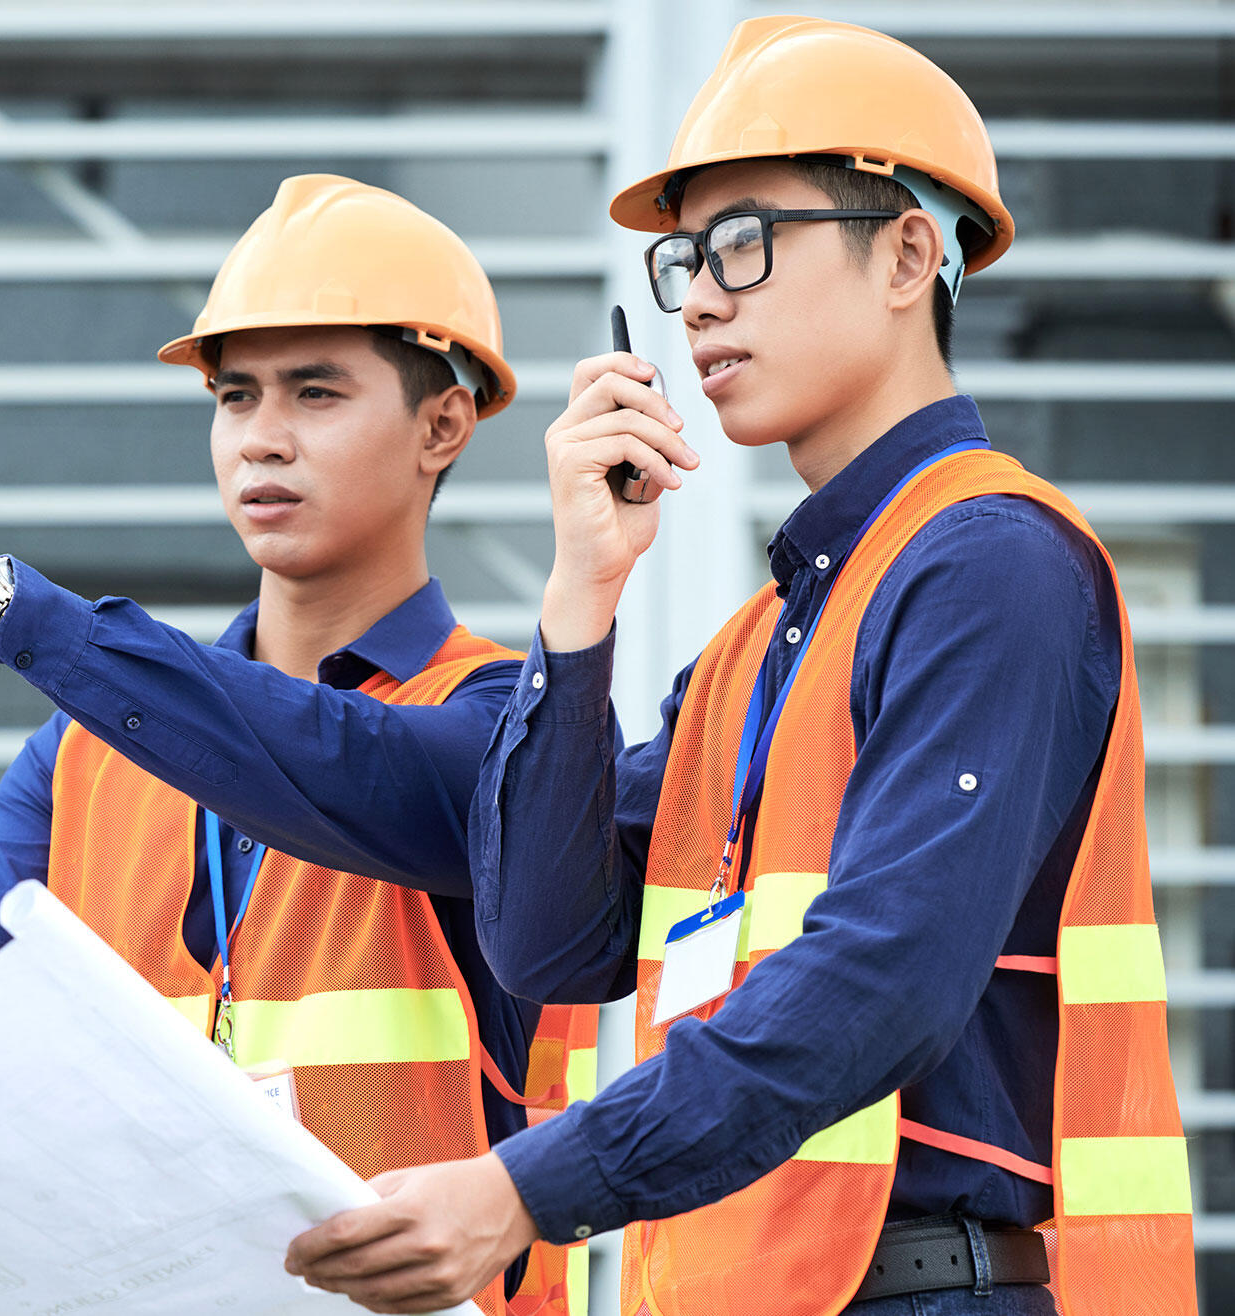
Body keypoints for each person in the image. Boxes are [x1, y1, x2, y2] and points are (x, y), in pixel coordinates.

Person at [285, 18, 1196, 1316]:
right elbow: (552, 943)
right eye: (683, 263)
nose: (701, 297)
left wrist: (522, 1188)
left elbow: (885, 980)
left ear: (908, 253)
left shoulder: (992, 566)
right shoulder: (763, 646)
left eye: (744, 245)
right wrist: (580, 597)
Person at [0, 174, 594, 1314]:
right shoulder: (88, 751)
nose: (264, 439)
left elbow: (325, 755)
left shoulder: (512, 728)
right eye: (236, 395)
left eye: (316, 392)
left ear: (441, 424)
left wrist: (7, 607)